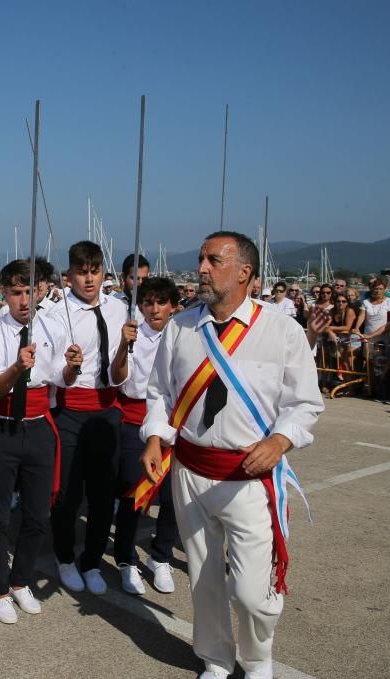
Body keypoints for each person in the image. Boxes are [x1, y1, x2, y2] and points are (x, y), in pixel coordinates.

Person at [140, 231, 323, 679]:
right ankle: (216, 659)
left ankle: (258, 661)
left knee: (250, 591)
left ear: (245, 273)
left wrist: (280, 441)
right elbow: (159, 392)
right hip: (190, 470)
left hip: (248, 476)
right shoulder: (181, 327)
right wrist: (154, 437)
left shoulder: (281, 330)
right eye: (201, 258)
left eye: (213, 260)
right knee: (202, 577)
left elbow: (304, 403)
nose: (201, 268)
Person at [0, 259, 73, 624]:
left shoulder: (52, 327)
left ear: (42, 290)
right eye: (15, 292)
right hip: (0, 428)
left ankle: (21, 580)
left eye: (29, 291)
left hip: (37, 427)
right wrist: (17, 368)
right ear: (3, 292)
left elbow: (60, 379)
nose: (22, 300)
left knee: (37, 514)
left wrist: (73, 367)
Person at [47, 240, 128, 595]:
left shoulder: (119, 309)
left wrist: (126, 345)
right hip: (70, 410)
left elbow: (122, 373)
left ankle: (92, 560)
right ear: (69, 276)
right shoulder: (55, 313)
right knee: (67, 494)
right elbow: (54, 375)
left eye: (95, 271)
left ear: (103, 274)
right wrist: (68, 366)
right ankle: (65, 558)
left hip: (107, 408)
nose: (89, 279)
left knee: (103, 492)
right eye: (82, 272)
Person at [110, 276, 180, 595]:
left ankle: (160, 556)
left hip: (173, 424)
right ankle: (125, 558)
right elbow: (118, 377)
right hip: (134, 419)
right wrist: (124, 345)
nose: (154, 309)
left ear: (173, 307)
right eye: (148, 302)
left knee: (173, 498)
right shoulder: (130, 334)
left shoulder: (183, 336)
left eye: (161, 302)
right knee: (133, 496)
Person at [114, 253, 150, 322]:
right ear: (123, 277)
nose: (140, 283)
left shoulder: (152, 306)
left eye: (144, 279)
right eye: (135, 278)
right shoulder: (111, 303)